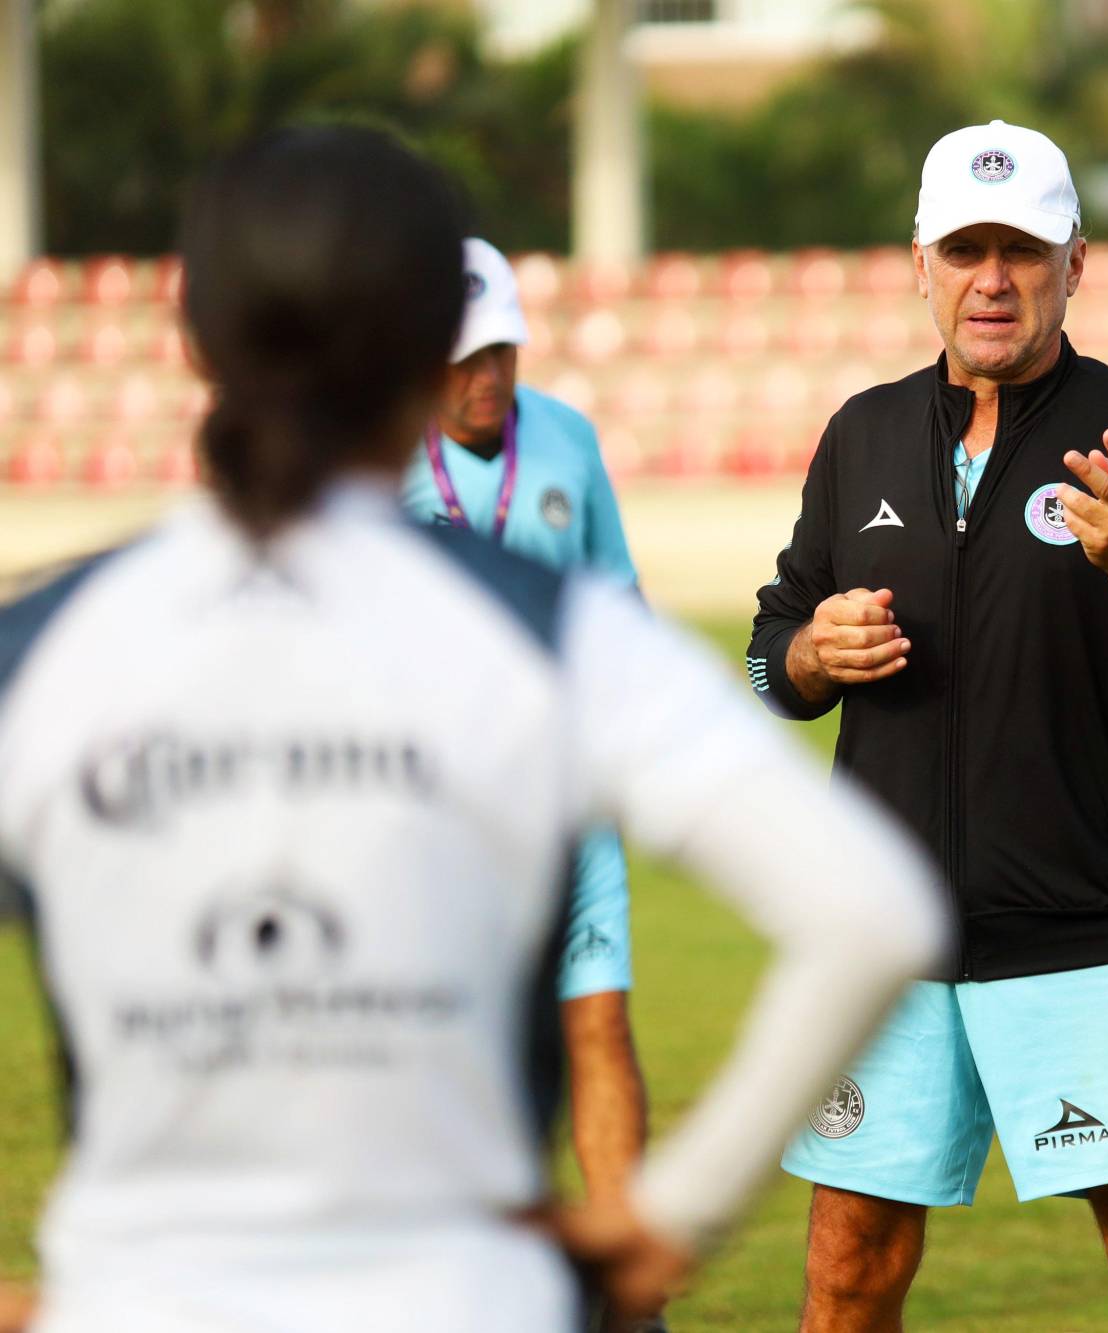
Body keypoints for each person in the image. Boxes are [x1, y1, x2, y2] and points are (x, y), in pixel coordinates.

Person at [0, 125, 946, 1333]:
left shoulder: (45, 647)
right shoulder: (547, 636)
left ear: (192, 344)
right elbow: (874, 914)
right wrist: (670, 1216)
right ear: (423, 353)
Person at [746, 120, 1108, 1331]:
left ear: (1074, 263)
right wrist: (816, 651)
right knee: (847, 1269)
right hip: (884, 938)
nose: (992, 279)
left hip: (1084, 935)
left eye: (1021, 251)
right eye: (965, 249)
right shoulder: (858, 433)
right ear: (917, 261)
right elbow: (771, 658)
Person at [400, 240, 652, 1266]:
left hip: (566, 797)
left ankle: (628, 1282)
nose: (485, 377)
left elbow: (618, 607)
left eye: (499, 350)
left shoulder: (567, 441)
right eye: (461, 359)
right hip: (434, 818)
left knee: (598, 1028)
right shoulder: (376, 459)